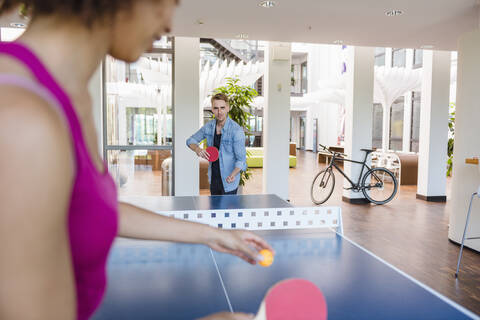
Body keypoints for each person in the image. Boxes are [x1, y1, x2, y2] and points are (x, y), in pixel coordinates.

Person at [0, 1, 271, 319]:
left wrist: (211, 233)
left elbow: (90, 208)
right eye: (165, 2)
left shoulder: (69, 96)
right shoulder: (22, 119)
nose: (169, 21)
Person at [187, 93, 247, 195]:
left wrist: (233, 174)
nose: (219, 112)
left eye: (222, 108)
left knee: (227, 211)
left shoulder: (236, 130)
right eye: (216, 108)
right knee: (214, 210)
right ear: (212, 109)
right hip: (213, 180)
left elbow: (241, 160)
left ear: (227, 108)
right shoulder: (209, 127)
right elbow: (190, 140)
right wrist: (197, 149)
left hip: (229, 182)